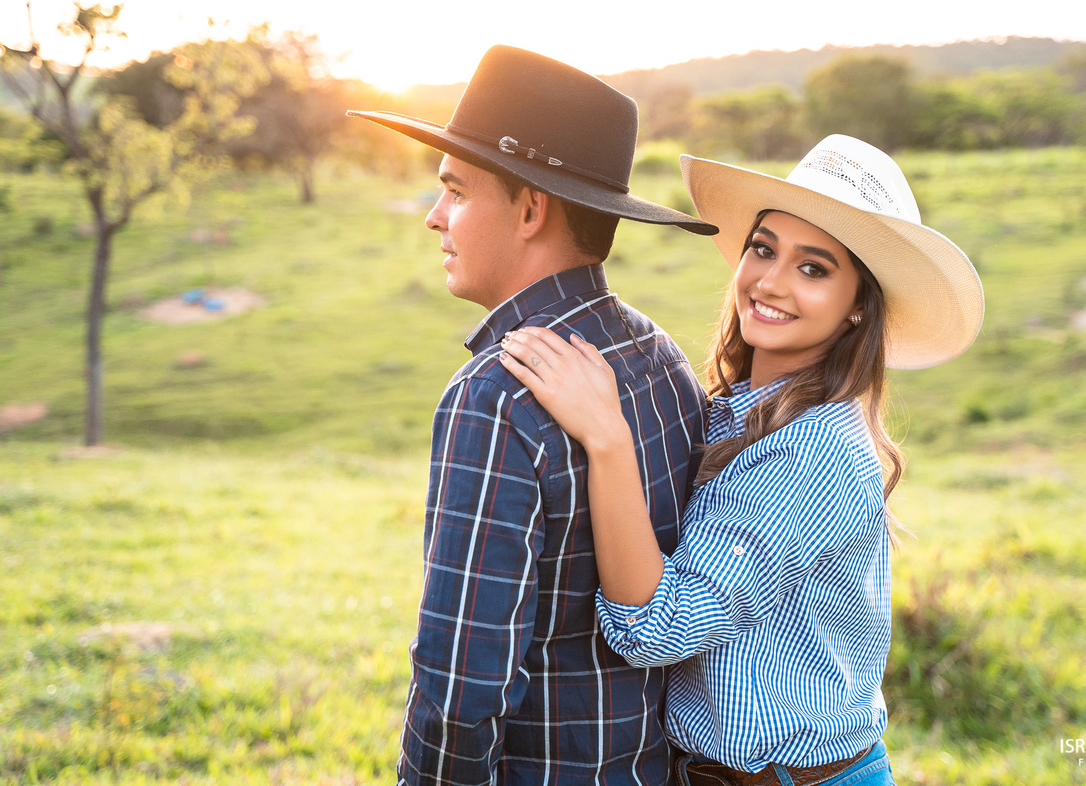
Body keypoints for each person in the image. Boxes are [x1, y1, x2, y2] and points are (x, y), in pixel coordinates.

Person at [499, 134, 985, 786]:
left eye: (813, 269)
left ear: (859, 305)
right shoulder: (736, 412)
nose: (771, 281)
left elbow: (657, 627)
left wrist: (608, 440)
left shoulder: (812, 450)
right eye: (763, 249)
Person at [348, 46, 717, 786]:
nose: (434, 217)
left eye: (455, 190)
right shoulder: (659, 352)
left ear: (529, 208)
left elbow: (462, 688)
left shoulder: (496, 397)